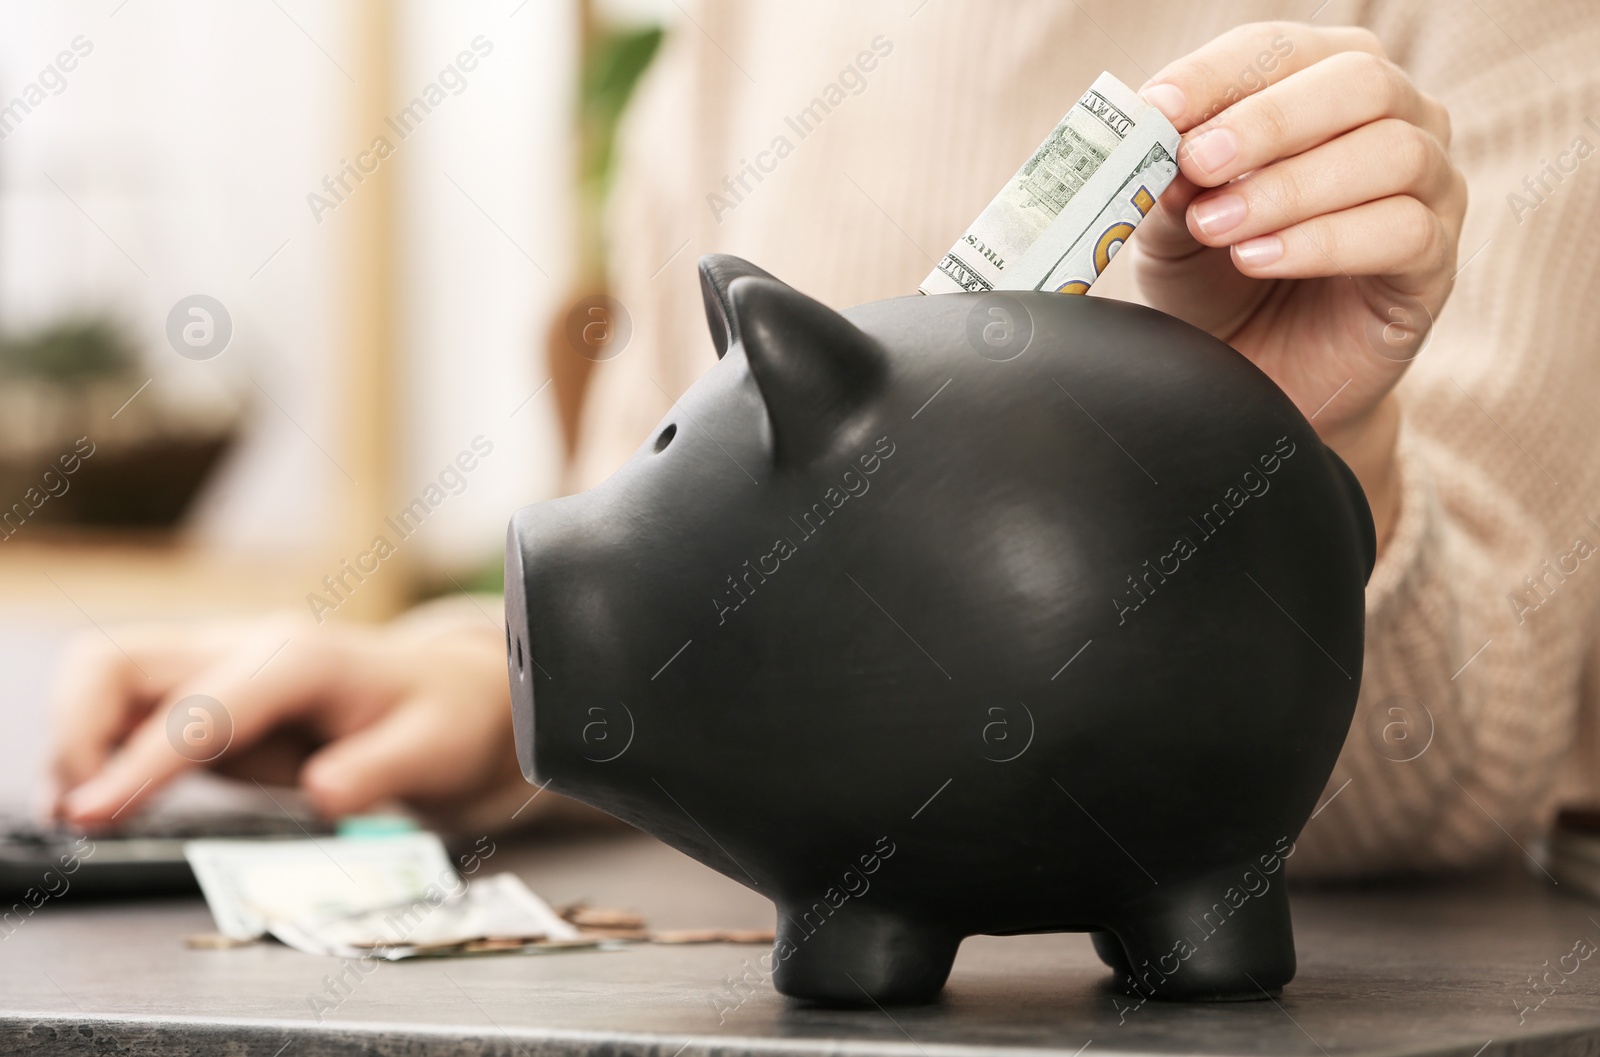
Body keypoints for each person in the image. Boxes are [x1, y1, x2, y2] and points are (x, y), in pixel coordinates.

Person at [53, 1, 1600, 878]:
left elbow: (1469, 767)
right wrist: (474, 677)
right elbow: (680, 506)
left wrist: (1308, 461)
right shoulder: (746, 26)